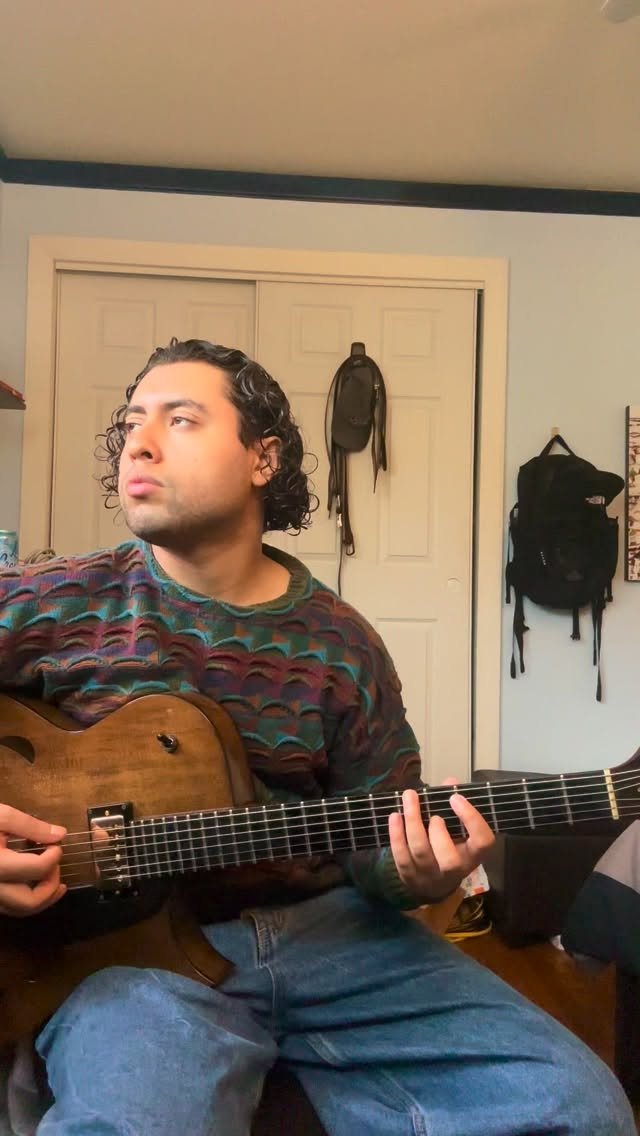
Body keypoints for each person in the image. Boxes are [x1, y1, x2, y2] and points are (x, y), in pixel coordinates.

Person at [0, 338, 633, 1136]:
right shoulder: (52, 600)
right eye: (132, 423)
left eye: (180, 419)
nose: (140, 443)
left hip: (333, 942)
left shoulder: (342, 642)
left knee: (579, 1108)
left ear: (263, 458)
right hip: (128, 965)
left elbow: (377, 844)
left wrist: (418, 873)